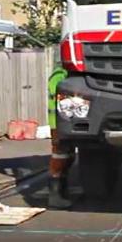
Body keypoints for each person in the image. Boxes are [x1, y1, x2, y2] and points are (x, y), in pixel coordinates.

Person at [47, 65, 74, 209]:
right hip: (57, 122)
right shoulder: (59, 75)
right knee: (60, 156)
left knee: (68, 156)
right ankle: (54, 196)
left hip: (64, 121)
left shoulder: (64, 74)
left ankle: (62, 192)